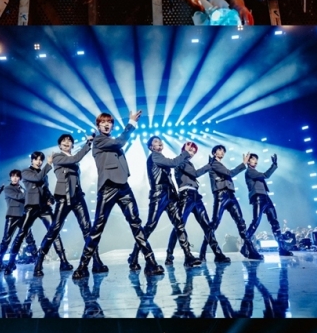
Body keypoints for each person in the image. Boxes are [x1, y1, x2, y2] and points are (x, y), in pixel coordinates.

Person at [73, 109, 163, 281]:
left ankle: (151, 262)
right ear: (98, 126)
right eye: (103, 122)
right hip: (108, 187)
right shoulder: (99, 140)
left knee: (136, 224)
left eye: (109, 122)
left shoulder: (110, 141)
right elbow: (120, 142)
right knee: (97, 228)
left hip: (123, 186)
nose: (106, 125)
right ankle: (82, 267)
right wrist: (131, 123)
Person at [128, 135, 200, 273]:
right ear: (151, 147)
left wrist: (175, 194)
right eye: (156, 142)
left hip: (169, 196)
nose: (159, 143)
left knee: (179, 224)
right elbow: (173, 162)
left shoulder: (160, 158)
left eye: (160, 141)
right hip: (158, 195)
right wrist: (185, 153)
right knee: (150, 225)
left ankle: (188, 256)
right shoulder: (155, 156)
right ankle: (134, 256)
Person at [33, 132, 93, 274]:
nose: (67, 142)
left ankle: (96, 261)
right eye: (64, 141)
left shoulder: (73, 160)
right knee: (54, 229)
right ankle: (39, 261)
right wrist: (88, 144)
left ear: (72, 144)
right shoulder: (57, 157)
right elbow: (76, 158)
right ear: (60, 145)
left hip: (77, 197)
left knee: (87, 229)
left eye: (69, 141)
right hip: (63, 197)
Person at [167, 139, 226, 265]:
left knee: (207, 226)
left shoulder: (188, 162)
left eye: (194, 151)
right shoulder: (181, 161)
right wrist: (209, 165)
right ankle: (170, 255)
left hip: (195, 196)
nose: (192, 153)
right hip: (185, 195)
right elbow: (195, 174)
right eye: (190, 150)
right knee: (179, 225)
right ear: (184, 150)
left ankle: (218, 254)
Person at [200, 145, 254, 257]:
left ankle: (250, 249)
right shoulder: (213, 163)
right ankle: (203, 250)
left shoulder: (220, 164)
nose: (222, 152)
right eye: (220, 150)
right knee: (214, 223)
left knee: (241, 222)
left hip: (230, 195)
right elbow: (230, 173)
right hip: (221, 195)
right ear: (214, 153)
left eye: (223, 151)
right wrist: (244, 163)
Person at [243, 151, 283, 250]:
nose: (256, 161)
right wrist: (274, 165)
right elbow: (266, 175)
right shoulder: (249, 171)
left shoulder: (255, 172)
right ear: (248, 161)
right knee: (256, 221)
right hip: (258, 197)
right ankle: (245, 246)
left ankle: (282, 247)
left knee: (274, 221)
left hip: (266, 197)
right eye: (253, 159)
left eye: (256, 160)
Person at [0, 169, 27, 270]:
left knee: (24, 239)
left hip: (23, 216)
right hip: (12, 215)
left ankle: (12, 262)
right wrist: (29, 193)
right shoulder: (7, 188)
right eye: (13, 176)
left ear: (20, 178)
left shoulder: (23, 189)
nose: (15, 178)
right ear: (10, 178)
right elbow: (18, 196)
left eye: (17, 176)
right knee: (6, 240)